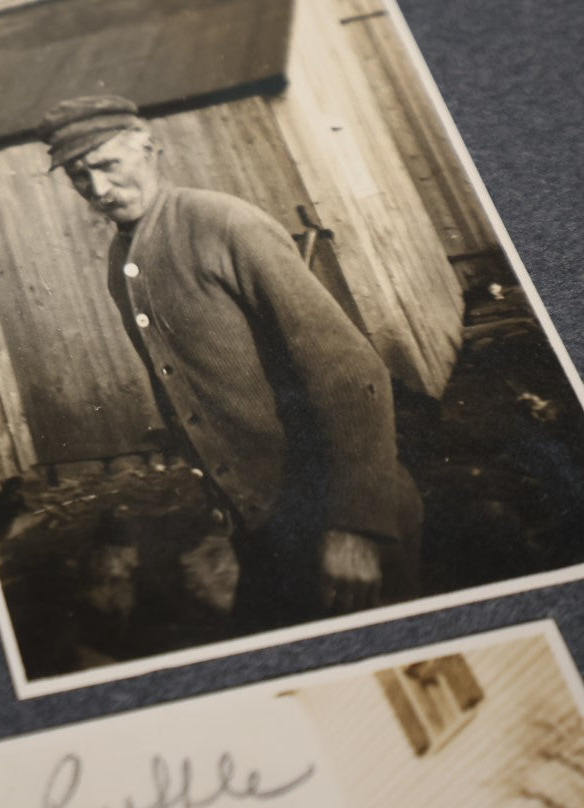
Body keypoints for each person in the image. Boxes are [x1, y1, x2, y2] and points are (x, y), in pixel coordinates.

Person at [36, 95, 422, 631]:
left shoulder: (224, 224)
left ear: (149, 149)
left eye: (107, 165)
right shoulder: (120, 262)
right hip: (263, 529)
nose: (98, 190)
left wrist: (358, 526)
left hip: (343, 517)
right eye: (80, 177)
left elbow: (352, 373)